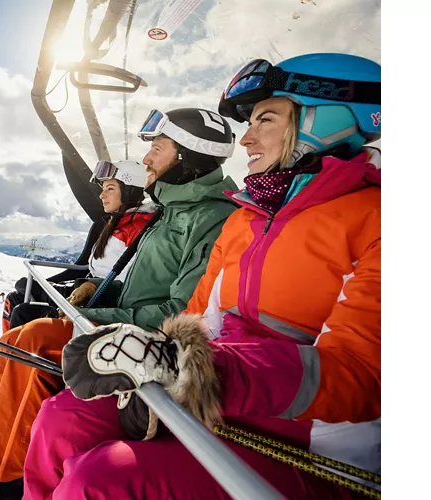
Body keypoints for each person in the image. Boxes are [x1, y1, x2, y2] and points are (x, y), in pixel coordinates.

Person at [24, 53, 381, 500]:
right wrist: (162, 355)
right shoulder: (248, 219)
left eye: (264, 120)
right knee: (63, 418)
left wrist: (190, 369)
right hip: (217, 403)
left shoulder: (379, 221)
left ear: (328, 120)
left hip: (312, 445)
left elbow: (362, 373)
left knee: (101, 481)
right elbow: (197, 319)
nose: (246, 138)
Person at [0, 107, 239, 499]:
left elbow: (183, 309)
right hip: (121, 325)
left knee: (33, 340)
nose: (147, 159)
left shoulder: (210, 218)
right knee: (21, 336)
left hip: (146, 342)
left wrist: (91, 315)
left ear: (188, 157)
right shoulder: (172, 208)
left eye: (157, 148)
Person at [1, 160, 152, 333]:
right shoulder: (107, 224)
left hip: (100, 300)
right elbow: (82, 267)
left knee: (22, 311)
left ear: (130, 191)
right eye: (103, 189)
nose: (102, 196)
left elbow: (130, 284)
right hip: (83, 291)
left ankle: (15, 356)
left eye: (110, 189)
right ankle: (6, 356)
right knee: (17, 295)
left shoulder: (142, 230)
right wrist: (48, 284)